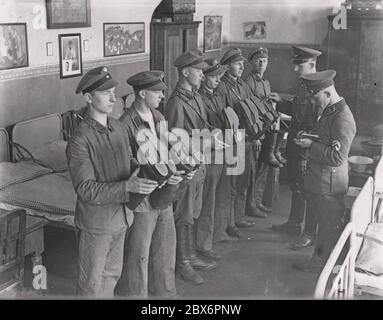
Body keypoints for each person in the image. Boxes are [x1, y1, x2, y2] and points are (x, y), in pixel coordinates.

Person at [66, 66, 158, 297]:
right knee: (91, 283)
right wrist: (128, 186)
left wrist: (151, 173)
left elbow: (128, 162)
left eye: (114, 91)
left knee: (112, 275)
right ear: (88, 97)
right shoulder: (80, 140)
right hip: (97, 223)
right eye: (106, 92)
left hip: (121, 217)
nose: (114, 97)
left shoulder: (117, 127)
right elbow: (86, 189)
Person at [117, 71, 183, 298]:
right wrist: (154, 172)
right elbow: (126, 162)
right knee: (140, 255)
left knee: (166, 248)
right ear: (142, 93)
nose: (162, 96)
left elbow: (165, 151)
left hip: (163, 194)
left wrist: (171, 171)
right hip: (143, 196)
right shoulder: (125, 123)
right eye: (157, 92)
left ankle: (167, 294)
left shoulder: (159, 117)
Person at [292, 70, 356, 271]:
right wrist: (312, 139)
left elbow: (337, 157)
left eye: (315, 97)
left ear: (328, 93)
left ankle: (321, 265)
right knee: (324, 224)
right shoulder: (332, 111)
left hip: (328, 184)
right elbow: (328, 141)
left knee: (327, 227)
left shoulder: (342, 118)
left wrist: (310, 147)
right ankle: (320, 262)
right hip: (321, 181)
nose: (312, 102)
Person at [163, 51, 217, 285]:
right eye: (198, 71)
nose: (202, 75)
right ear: (185, 72)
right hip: (187, 168)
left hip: (199, 162)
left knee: (193, 212)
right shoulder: (176, 103)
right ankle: (182, 263)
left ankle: (191, 255)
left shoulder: (194, 97)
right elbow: (175, 143)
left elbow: (201, 127)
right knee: (184, 214)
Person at [269, 46, 320, 249]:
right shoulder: (304, 85)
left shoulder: (317, 87)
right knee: (296, 188)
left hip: (305, 148)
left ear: (311, 64)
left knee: (306, 191)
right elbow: (298, 112)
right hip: (295, 145)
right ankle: (293, 224)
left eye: (300, 65)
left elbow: (317, 123)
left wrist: (308, 148)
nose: (296, 69)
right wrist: (281, 101)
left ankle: (308, 233)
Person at [216, 48, 257, 238]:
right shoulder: (222, 87)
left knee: (243, 180)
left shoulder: (243, 85)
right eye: (237, 63)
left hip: (246, 137)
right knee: (231, 184)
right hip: (233, 140)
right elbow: (224, 116)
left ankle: (238, 216)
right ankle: (229, 222)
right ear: (227, 66)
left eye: (242, 63)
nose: (242, 67)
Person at [195, 58, 230, 261]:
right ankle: (203, 244)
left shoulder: (218, 95)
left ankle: (217, 233)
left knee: (219, 196)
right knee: (207, 201)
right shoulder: (200, 98)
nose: (218, 79)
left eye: (219, 76)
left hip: (222, 149)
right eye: (213, 76)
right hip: (209, 152)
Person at [245, 46, 285, 219]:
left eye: (265, 60)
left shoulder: (265, 83)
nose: (261, 63)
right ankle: (250, 205)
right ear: (251, 63)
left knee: (263, 168)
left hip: (266, 130)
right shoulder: (249, 83)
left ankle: (258, 201)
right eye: (258, 60)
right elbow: (248, 112)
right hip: (256, 133)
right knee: (253, 171)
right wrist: (255, 136)